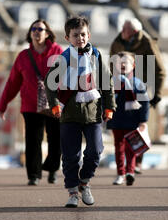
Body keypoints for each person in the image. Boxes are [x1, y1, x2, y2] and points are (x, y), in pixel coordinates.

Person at [45, 16, 116, 208]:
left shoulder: (96, 55)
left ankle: (85, 182)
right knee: (70, 156)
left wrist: (110, 107)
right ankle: (73, 192)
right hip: (68, 113)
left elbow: (107, 84)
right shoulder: (63, 59)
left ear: (89, 35)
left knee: (95, 150)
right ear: (67, 38)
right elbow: (49, 84)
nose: (80, 38)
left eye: (83, 34)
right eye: (75, 35)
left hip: (93, 112)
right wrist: (53, 105)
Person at [0, 19, 63, 186]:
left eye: (40, 29)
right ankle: (34, 175)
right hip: (30, 104)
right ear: (30, 33)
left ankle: (52, 169)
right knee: (33, 141)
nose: (36, 31)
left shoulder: (58, 52)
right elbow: (13, 82)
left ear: (47, 33)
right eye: (33, 29)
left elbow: (67, 77)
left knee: (56, 139)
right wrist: (3, 104)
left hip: (54, 103)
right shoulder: (23, 56)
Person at [109, 18, 166, 173]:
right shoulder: (118, 41)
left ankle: (137, 161)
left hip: (141, 85)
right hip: (121, 86)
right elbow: (111, 63)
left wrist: (157, 94)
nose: (122, 30)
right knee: (121, 125)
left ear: (134, 31)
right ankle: (125, 165)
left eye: (125, 28)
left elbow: (159, 70)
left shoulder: (147, 43)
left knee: (139, 125)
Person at [106, 51, 149, 186]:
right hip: (117, 119)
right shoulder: (112, 82)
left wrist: (143, 121)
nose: (123, 64)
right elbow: (106, 100)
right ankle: (120, 173)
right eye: (120, 62)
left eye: (127, 62)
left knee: (131, 147)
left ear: (133, 65)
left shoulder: (138, 83)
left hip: (132, 120)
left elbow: (145, 103)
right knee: (118, 147)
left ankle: (130, 172)